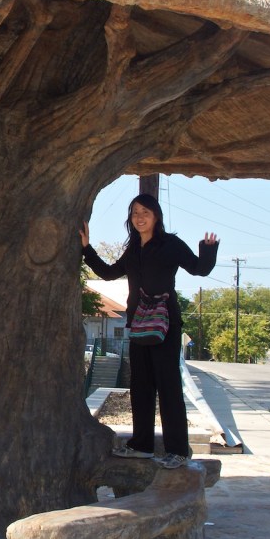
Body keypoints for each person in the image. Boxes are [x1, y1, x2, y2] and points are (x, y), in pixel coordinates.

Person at [80, 193, 219, 470]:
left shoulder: (170, 244)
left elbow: (199, 269)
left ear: (156, 215)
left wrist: (208, 249)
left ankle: (177, 450)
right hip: (139, 325)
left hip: (165, 325)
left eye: (145, 212)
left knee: (168, 388)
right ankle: (141, 445)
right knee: (140, 387)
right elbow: (108, 273)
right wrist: (86, 248)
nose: (139, 217)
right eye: (134, 213)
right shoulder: (133, 248)